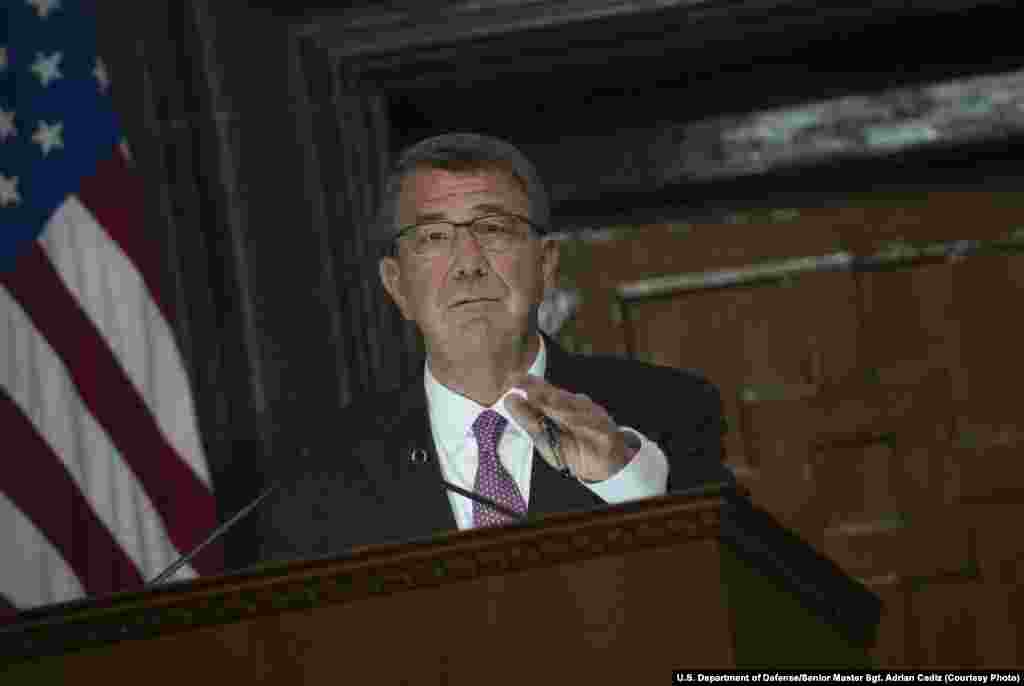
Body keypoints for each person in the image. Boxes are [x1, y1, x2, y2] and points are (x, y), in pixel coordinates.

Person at [255, 132, 733, 563]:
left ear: (545, 266)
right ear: (397, 285)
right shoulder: (320, 473)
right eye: (434, 237)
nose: (468, 264)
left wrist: (625, 481)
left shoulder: (671, 412)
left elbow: (732, 587)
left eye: (493, 229)